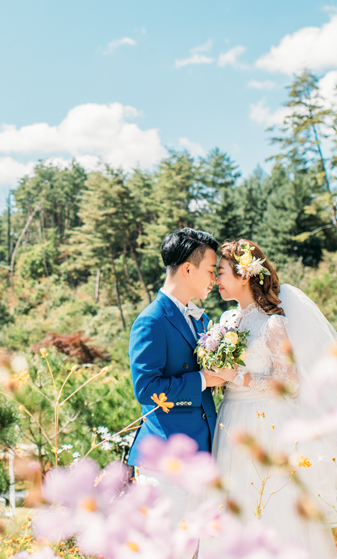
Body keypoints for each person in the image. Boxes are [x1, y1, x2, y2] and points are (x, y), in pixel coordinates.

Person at [206, 239, 337, 557]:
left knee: (272, 503)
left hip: (265, 424)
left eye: (223, 272)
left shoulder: (274, 324)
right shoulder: (227, 321)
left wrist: (236, 376)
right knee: (236, 501)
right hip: (231, 420)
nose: (217, 280)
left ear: (244, 275)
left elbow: (291, 383)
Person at [126, 228, 225, 532]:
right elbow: (146, 389)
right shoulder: (151, 320)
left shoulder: (200, 319)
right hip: (166, 460)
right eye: (211, 270)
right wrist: (203, 380)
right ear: (187, 268)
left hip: (202, 451)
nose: (215, 279)